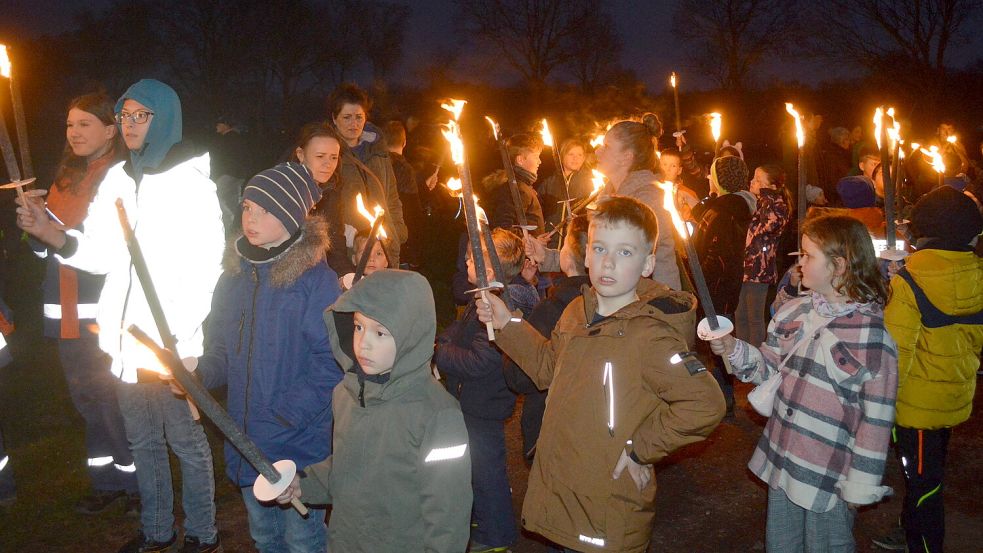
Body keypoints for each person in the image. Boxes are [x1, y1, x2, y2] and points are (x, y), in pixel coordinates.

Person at [15, 78, 224, 553]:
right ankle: (156, 531)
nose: (129, 125)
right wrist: (52, 234)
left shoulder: (190, 184)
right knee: (144, 442)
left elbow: (205, 268)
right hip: (126, 341)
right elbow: (103, 253)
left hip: (171, 343)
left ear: (164, 118)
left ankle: (203, 533)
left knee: (186, 444)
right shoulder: (118, 179)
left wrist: (180, 339)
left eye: (140, 116)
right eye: (125, 116)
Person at [477, 196, 725, 553]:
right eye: (599, 248)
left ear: (648, 264)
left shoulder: (650, 334)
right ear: (587, 254)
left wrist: (641, 449)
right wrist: (506, 324)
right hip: (564, 494)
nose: (608, 261)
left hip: (606, 504)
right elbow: (548, 367)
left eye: (625, 252)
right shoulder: (578, 309)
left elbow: (704, 403)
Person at [710, 214, 898, 552]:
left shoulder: (873, 337)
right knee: (782, 543)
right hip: (785, 460)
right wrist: (733, 349)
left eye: (809, 256)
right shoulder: (793, 313)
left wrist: (861, 484)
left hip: (831, 475)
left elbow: (876, 420)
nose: (799, 264)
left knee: (827, 544)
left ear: (838, 266)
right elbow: (768, 368)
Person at [189, 162, 342, 552]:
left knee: (303, 539)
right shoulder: (234, 277)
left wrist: (284, 415)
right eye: (247, 208)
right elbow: (221, 349)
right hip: (245, 438)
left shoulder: (315, 280)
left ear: (291, 216)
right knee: (264, 537)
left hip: (297, 442)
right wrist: (199, 374)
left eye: (265, 210)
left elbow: (330, 363)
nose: (250, 218)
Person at [274, 270, 473, 552]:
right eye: (358, 326)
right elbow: (345, 468)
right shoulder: (346, 394)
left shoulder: (438, 415)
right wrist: (302, 485)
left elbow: (448, 516)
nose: (363, 342)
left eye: (380, 332)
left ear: (411, 335)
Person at [27, 92, 138, 515]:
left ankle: (138, 487)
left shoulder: (117, 178)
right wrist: (35, 228)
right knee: (88, 402)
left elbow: (106, 251)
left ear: (111, 130)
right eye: (70, 125)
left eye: (85, 124)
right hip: (64, 311)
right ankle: (106, 481)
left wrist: (55, 231)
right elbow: (45, 251)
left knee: (112, 402)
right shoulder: (65, 179)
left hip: (101, 311)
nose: (74, 132)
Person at [871, 187, 983, 553]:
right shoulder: (977, 272)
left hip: (916, 406)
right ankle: (907, 529)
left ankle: (924, 543)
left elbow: (895, 355)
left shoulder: (910, 280)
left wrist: (877, 407)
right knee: (928, 474)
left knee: (923, 484)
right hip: (956, 393)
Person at [434, 228, 539, 553]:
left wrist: (439, 352)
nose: (465, 260)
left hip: (484, 403)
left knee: (487, 472)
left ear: (489, 270)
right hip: (476, 399)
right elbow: (457, 331)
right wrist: (443, 340)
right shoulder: (481, 297)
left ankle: (497, 535)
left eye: (470, 257)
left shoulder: (497, 307)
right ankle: (484, 516)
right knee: (477, 468)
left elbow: (481, 361)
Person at [504, 215, 591, 463]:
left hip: (552, 431)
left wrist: (512, 329)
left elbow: (519, 376)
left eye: (563, 246)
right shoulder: (608, 301)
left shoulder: (556, 308)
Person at [691, 155, 756, 412]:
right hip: (727, 283)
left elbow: (716, 252)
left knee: (717, 339)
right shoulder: (736, 205)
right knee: (720, 337)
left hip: (715, 286)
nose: (709, 177)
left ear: (722, 178)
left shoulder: (724, 210)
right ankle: (723, 394)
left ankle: (723, 398)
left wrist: (699, 277)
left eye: (713, 174)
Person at [329, 83, 407, 265]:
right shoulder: (329, 155)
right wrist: (345, 235)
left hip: (384, 245)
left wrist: (398, 231)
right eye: (346, 117)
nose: (353, 124)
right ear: (334, 118)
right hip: (350, 250)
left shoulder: (378, 151)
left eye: (359, 117)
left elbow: (392, 196)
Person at [735, 164, 790, 349]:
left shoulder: (777, 205)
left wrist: (767, 195)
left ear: (772, 187)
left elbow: (770, 226)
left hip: (761, 270)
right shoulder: (760, 203)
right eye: (754, 178)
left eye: (759, 180)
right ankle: (742, 356)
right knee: (740, 314)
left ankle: (757, 357)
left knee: (755, 317)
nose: (753, 182)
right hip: (748, 268)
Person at [292, 122, 350, 275]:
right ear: (300, 154)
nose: (328, 164)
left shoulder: (331, 193)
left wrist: (345, 275)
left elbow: (335, 240)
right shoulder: (283, 190)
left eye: (333, 158)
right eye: (320, 156)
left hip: (317, 277)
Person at [485, 132, 546, 236]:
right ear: (520, 160)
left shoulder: (523, 186)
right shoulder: (516, 189)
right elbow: (503, 229)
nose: (539, 161)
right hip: (523, 251)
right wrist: (532, 241)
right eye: (536, 157)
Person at [536, 137, 591, 243]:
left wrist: (579, 220)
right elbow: (538, 211)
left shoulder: (589, 183)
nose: (576, 158)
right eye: (571, 154)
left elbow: (593, 215)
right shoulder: (548, 182)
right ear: (561, 156)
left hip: (575, 242)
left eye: (580, 155)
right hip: (550, 239)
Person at [384, 120, 423, 267]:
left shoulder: (376, 164)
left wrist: (424, 187)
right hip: (401, 239)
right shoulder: (404, 169)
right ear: (404, 142)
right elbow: (412, 209)